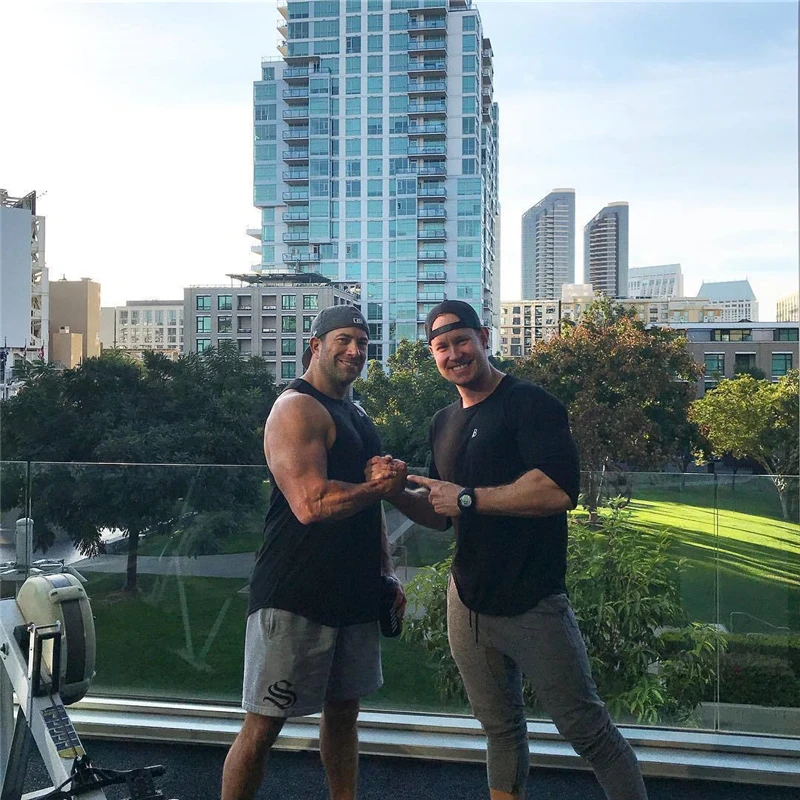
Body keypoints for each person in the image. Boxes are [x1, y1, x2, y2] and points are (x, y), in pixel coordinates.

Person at [372, 300, 648, 800]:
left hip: (533, 603)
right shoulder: (443, 422)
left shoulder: (531, 403)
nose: (454, 353)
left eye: (461, 340)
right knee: (499, 730)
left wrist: (467, 497)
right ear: (432, 355)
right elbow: (443, 514)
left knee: (589, 732)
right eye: (441, 346)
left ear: (483, 337)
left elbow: (557, 491)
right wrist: (395, 493)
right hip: (467, 603)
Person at [221, 305, 406, 800]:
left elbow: (370, 507)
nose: (355, 351)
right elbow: (311, 503)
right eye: (344, 340)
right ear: (316, 345)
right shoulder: (295, 409)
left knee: (344, 714)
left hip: (354, 594)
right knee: (264, 725)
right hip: (295, 596)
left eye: (363, 343)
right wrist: (380, 487)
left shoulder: (358, 414)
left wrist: (386, 572)